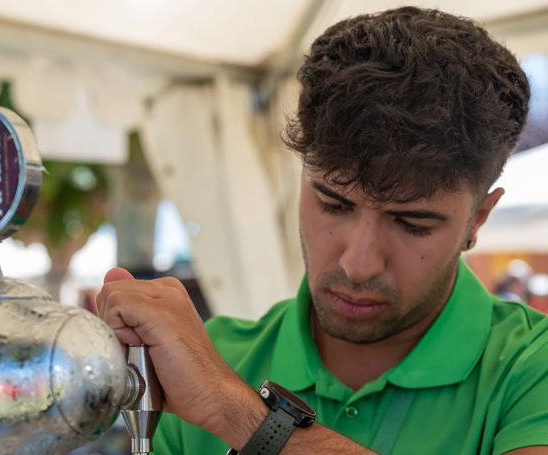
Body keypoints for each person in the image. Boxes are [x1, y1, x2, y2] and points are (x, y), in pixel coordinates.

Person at [96, 7, 545, 455]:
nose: (358, 263)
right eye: (333, 203)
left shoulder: (531, 366)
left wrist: (233, 411)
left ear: (478, 219)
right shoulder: (213, 355)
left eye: (412, 223)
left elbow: (225, 403)